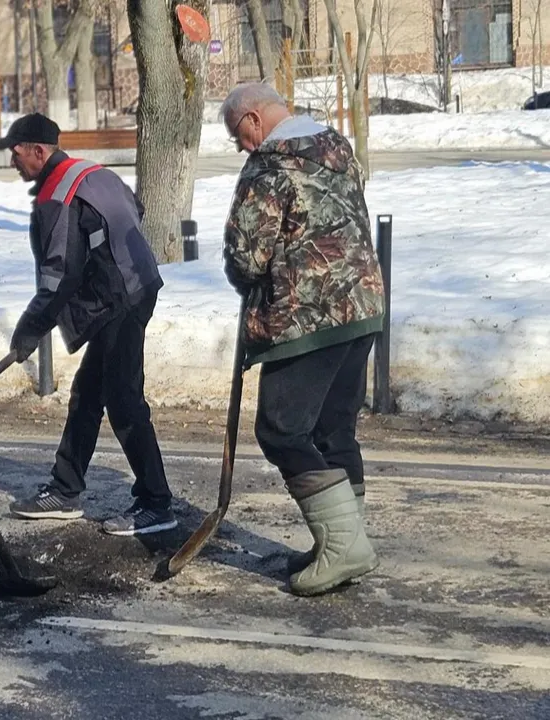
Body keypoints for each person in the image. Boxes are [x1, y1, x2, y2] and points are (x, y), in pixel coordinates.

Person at [221, 83, 385, 596]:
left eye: (237, 136)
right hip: (362, 307)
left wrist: (247, 279)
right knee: (334, 432)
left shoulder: (269, 166)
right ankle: (344, 545)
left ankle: (344, 547)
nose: (242, 147)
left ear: (252, 120)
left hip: (306, 317)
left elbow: (248, 252)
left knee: (282, 429)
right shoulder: (337, 149)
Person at [0, 113, 176, 537]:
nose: (13, 163)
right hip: (136, 285)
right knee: (89, 390)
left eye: (16, 154)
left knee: (123, 397)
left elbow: (60, 274)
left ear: (39, 151)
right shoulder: (94, 174)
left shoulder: (58, 193)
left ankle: (156, 502)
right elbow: (136, 209)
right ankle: (66, 487)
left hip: (121, 300)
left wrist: (29, 328)